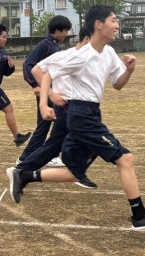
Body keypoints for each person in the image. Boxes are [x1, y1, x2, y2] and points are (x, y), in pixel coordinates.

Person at [7, 5, 145, 230]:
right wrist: (45, 103)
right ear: (98, 24)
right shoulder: (82, 55)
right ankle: (139, 215)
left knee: (74, 173)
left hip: (91, 113)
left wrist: (129, 70)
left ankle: (24, 175)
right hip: (81, 115)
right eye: (113, 21)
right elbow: (46, 76)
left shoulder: (109, 53)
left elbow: (117, 84)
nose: (117, 26)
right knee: (125, 159)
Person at [16, 25, 97, 189]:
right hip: (66, 105)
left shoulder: (86, 58)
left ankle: (21, 170)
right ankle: (76, 171)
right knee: (93, 137)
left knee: (54, 144)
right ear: (87, 39)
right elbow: (35, 70)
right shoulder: (61, 54)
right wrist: (50, 94)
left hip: (76, 106)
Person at [17, 15, 71, 167]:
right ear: (57, 30)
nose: (66, 34)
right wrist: (35, 85)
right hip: (45, 91)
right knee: (46, 125)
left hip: (51, 90)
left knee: (54, 123)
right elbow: (27, 64)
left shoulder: (54, 45)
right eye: (65, 31)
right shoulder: (46, 45)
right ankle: (26, 157)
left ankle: (48, 155)